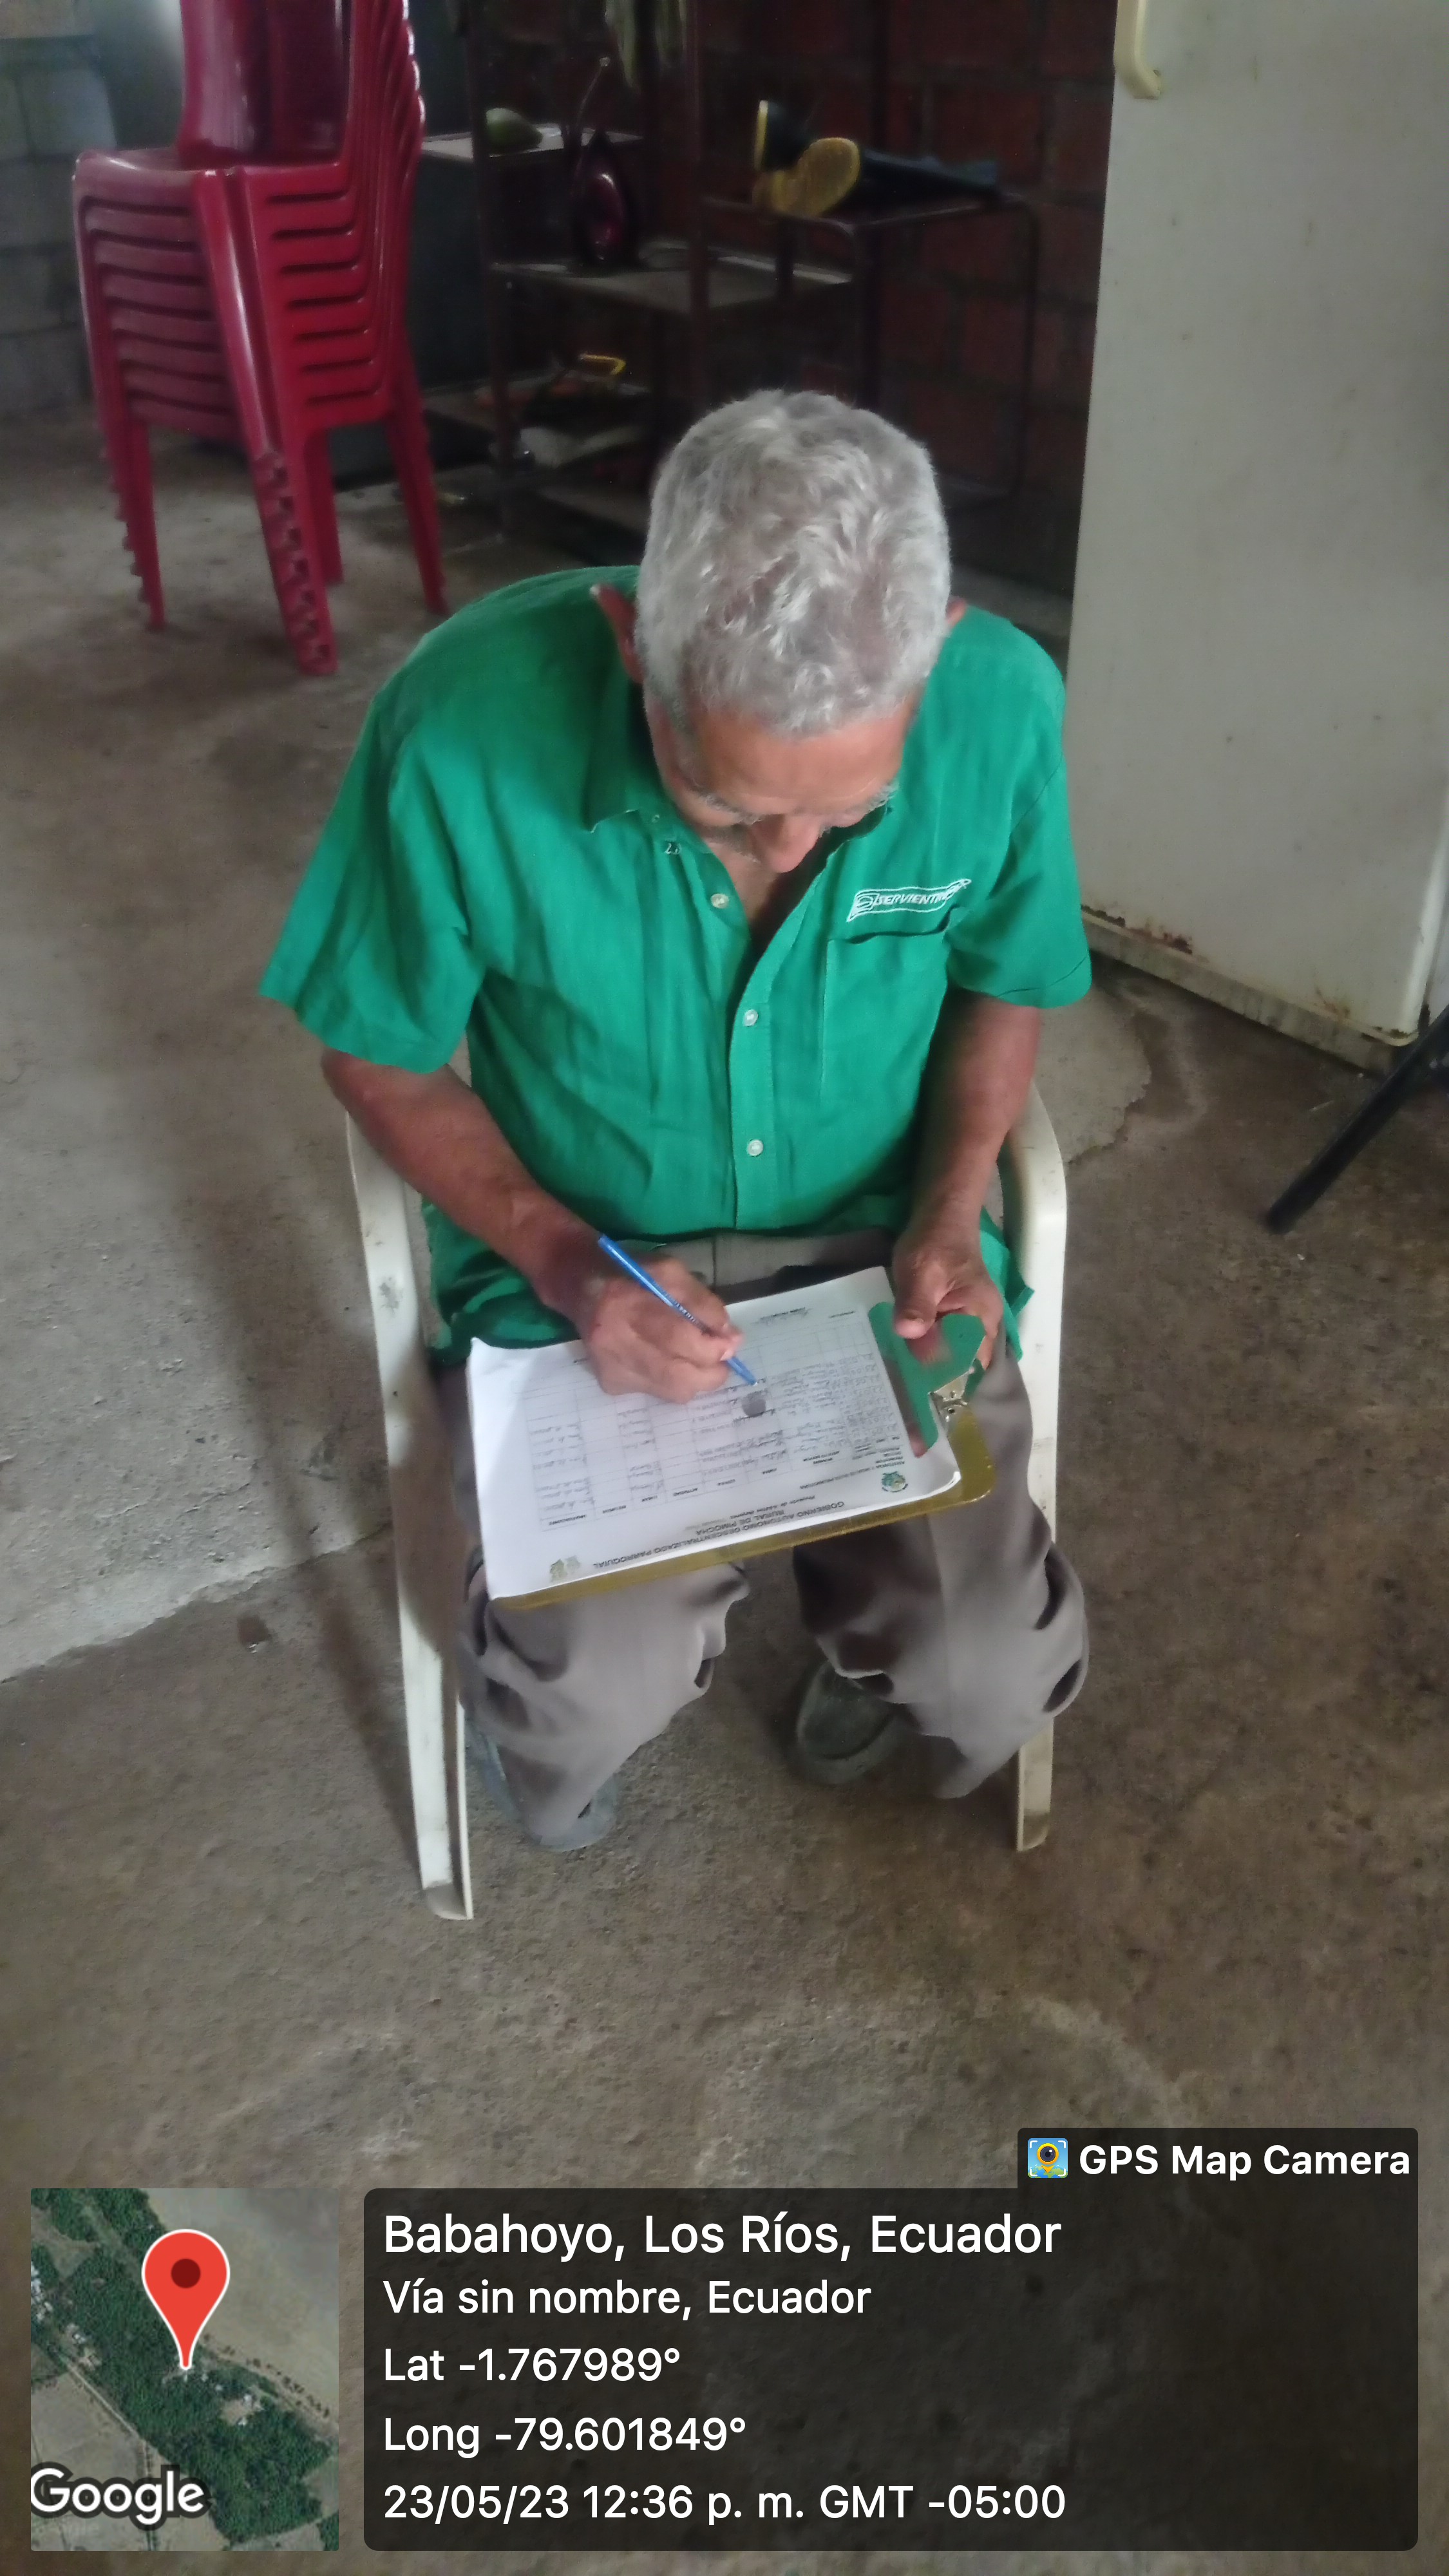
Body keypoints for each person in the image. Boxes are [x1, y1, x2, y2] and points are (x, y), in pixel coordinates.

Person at [262, 390, 1090, 1851]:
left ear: (940, 647)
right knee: (583, 1701)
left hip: (878, 1249)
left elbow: (1000, 984)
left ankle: (864, 1640)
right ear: (632, 638)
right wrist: (566, 1264)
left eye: (848, 812)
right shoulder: (460, 723)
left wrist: (953, 1210)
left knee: (990, 1675)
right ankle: (568, 1699)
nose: (787, 846)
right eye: (721, 794)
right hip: (582, 1258)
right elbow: (376, 1055)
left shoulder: (1001, 706)